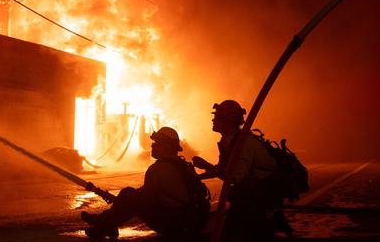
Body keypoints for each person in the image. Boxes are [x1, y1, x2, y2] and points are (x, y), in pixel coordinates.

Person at [81, 126, 208, 239]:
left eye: (156, 143)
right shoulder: (182, 164)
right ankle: (105, 226)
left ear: (166, 146)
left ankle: (103, 223)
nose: (152, 145)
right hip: (189, 220)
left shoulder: (158, 169)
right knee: (128, 192)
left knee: (131, 199)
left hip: (175, 225)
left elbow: (145, 199)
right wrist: (126, 198)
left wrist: (124, 202)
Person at [192, 100, 286, 241]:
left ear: (228, 121)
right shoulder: (228, 141)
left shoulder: (244, 144)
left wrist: (206, 166)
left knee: (234, 231)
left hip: (261, 193)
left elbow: (235, 177)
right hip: (250, 192)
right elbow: (222, 169)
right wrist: (197, 176)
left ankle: (266, 225)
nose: (213, 120)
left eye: (217, 117)